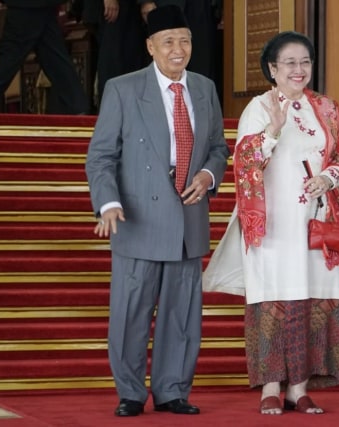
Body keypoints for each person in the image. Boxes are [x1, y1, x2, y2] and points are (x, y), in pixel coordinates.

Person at [85, 5, 229, 417]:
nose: (178, 49)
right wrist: (108, 203)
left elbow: (218, 147)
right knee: (131, 312)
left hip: (188, 216)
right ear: (151, 46)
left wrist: (207, 175)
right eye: (168, 42)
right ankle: (131, 392)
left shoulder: (204, 88)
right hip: (138, 218)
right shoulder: (123, 89)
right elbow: (101, 156)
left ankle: (172, 390)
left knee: (181, 314)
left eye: (184, 40)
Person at [204, 31, 339, 415]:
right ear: (272, 68)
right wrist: (272, 129)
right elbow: (245, 163)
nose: (298, 70)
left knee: (311, 296)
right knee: (274, 296)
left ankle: (299, 388)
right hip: (273, 224)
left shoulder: (327, 107)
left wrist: (330, 176)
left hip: (316, 222)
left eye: (304, 62)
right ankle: (271, 386)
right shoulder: (259, 106)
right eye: (289, 63)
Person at [0, 0, 89, 114]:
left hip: (27, 4)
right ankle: (78, 105)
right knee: (53, 56)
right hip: (39, 4)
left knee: (11, 54)